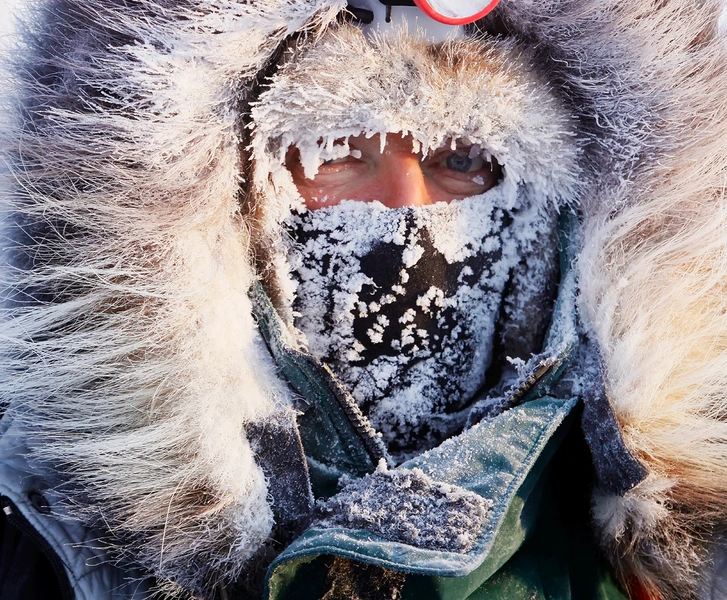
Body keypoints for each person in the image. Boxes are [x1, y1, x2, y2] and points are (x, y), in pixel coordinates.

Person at [0, 0, 726, 599]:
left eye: (462, 161)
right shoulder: (54, 532)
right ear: (231, 201)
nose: (405, 212)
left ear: (561, 204)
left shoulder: (667, 553)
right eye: (339, 154)